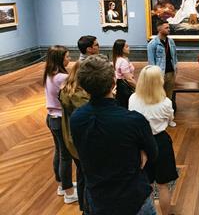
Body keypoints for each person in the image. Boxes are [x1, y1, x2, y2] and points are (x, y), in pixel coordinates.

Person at [70, 55, 158, 215]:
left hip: (97, 198)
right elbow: (153, 153)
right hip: (132, 198)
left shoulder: (76, 118)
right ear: (113, 83)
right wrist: (141, 152)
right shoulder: (134, 120)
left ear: (83, 86)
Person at [129, 65, 178, 215]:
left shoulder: (133, 99)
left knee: (147, 184)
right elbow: (170, 120)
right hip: (160, 142)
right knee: (163, 185)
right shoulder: (165, 103)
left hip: (140, 145)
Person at [43, 45, 77, 204]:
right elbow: (71, 96)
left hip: (51, 117)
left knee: (59, 151)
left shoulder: (50, 74)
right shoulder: (61, 77)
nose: (69, 58)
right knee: (66, 156)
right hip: (59, 119)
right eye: (67, 56)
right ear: (60, 58)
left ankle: (62, 185)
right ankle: (69, 192)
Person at [59, 61, 89, 212]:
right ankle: (86, 206)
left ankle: (84, 206)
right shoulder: (79, 96)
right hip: (82, 141)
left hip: (71, 139)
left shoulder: (67, 91)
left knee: (81, 172)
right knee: (86, 175)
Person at [147, 19, 178, 123]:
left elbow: (174, 57)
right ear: (159, 29)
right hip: (159, 75)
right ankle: (159, 118)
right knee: (159, 97)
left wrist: (175, 69)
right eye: (166, 27)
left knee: (168, 98)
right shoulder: (152, 44)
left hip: (170, 73)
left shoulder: (171, 41)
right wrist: (154, 76)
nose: (169, 29)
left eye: (169, 27)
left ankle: (169, 119)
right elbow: (151, 62)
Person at [112, 39, 136, 109]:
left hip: (121, 86)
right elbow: (129, 79)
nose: (129, 48)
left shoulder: (121, 59)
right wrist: (138, 87)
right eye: (126, 46)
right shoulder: (123, 61)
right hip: (124, 87)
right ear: (121, 49)